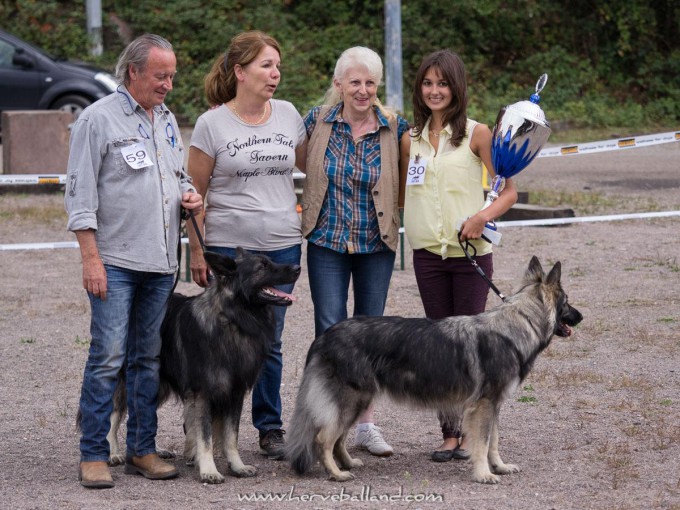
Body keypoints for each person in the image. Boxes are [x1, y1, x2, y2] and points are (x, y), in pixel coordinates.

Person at [65, 34, 203, 488]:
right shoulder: (96, 119)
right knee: (108, 357)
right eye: (161, 76)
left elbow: (176, 172)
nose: (168, 85)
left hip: (161, 264)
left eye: (172, 76)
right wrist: (91, 260)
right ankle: (93, 455)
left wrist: (188, 191)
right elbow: (80, 195)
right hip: (116, 262)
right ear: (134, 72)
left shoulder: (164, 120)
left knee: (148, 359)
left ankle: (142, 449)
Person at [186, 31, 306, 460]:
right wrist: (197, 253)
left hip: (280, 248)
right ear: (239, 71)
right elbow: (193, 192)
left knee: (268, 342)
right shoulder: (211, 123)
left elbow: (315, 169)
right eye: (265, 66)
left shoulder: (290, 115)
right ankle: (206, 431)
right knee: (217, 340)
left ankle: (269, 427)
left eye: (277, 66)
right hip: (230, 253)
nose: (274, 74)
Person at [399, 49, 518, 462]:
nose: (435, 91)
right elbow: (402, 192)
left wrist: (481, 217)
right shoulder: (409, 138)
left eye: (443, 83)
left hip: (470, 254)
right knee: (438, 345)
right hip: (428, 255)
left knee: (470, 344)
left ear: (457, 87)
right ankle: (449, 435)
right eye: (428, 83)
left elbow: (509, 191)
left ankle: (473, 434)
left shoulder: (478, 134)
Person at [301, 46, 409, 457]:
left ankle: (364, 424)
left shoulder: (394, 126)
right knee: (329, 331)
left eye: (369, 83)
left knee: (372, 335)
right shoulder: (317, 121)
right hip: (326, 239)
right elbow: (298, 162)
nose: (362, 91)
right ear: (338, 85)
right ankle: (324, 421)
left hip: (375, 242)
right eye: (355, 82)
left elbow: (407, 176)